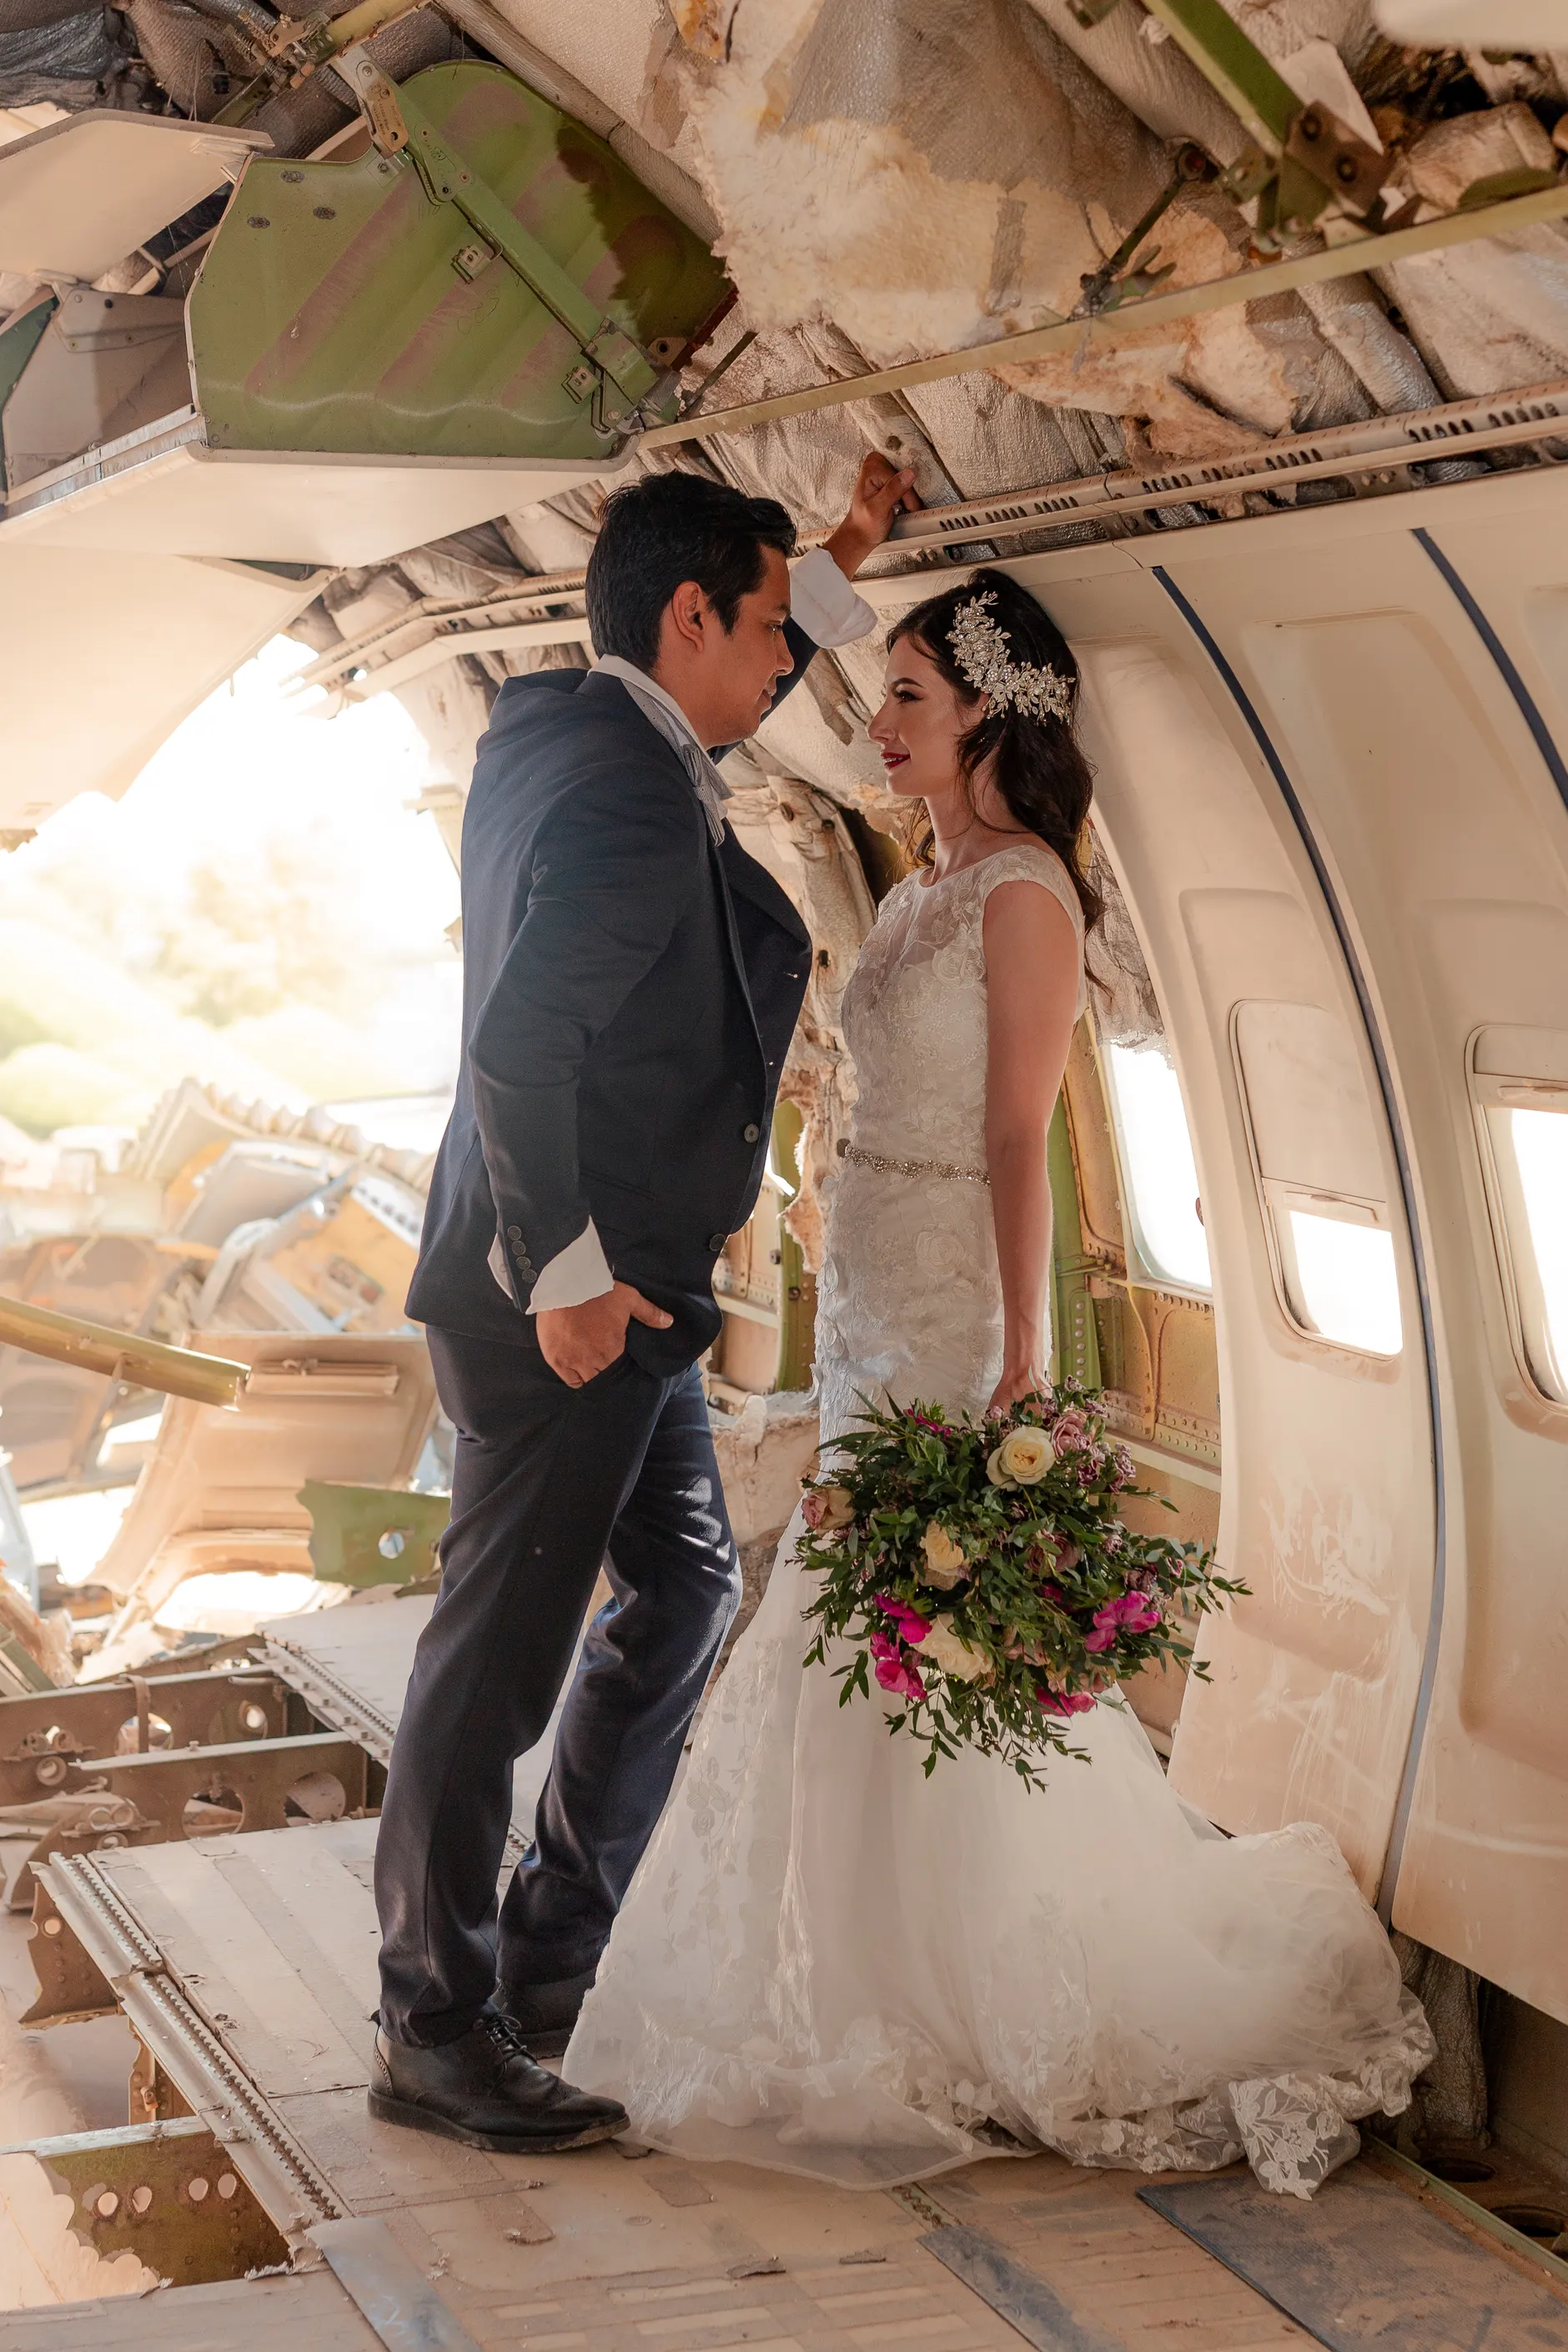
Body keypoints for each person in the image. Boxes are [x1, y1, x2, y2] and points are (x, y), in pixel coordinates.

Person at [565, 568, 1435, 2197]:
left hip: (952, 1303)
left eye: (904, 697)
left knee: (899, 1629)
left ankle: (964, 1992)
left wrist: (1025, 1357)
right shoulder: (919, 881)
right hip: (874, 1282)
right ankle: (874, 1978)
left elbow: (1015, 1134)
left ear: (985, 716)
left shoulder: (1025, 889)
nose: (870, 723)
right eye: (877, 692)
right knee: (866, 1640)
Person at [371, 454, 913, 2153]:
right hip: (568, 1300)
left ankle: (546, 1962)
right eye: (765, 630)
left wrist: (824, 565)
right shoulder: (620, 791)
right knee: (493, 1664)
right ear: (687, 616)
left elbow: (730, 687)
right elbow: (522, 1045)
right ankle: (436, 2030)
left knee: (678, 1588)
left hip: (629, 1292)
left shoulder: (575, 729)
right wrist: (571, 1286)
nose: (783, 668)